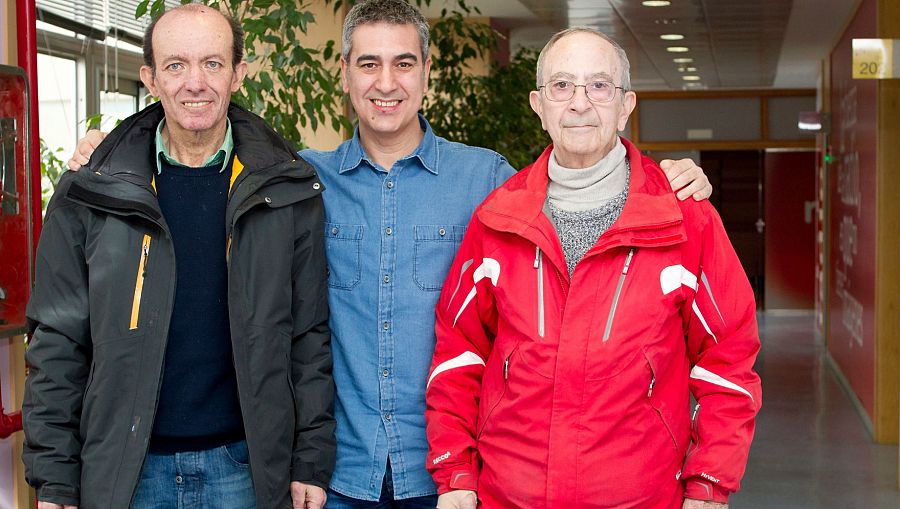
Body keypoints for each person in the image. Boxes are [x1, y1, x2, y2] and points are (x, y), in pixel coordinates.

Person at [66, 2, 712, 507]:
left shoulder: (490, 182)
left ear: (426, 75)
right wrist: (108, 150)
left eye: (404, 63)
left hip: (453, 476)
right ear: (343, 74)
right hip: (333, 476)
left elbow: (585, 202)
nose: (386, 82)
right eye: (368, 64)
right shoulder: (296, 183)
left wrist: (665, 178)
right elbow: (203, 142)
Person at [425, 27, 761, 509]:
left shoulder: (684, 218)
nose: (579, 103)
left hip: (639, 499)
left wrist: (709, 483)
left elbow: (728, 360)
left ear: (626, 105)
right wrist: (456, 473)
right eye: (563, 85)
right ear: (539, 105)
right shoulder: (497, 220)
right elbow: (459, 354)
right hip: (509, 498)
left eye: (598, 85)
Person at [23, 5, 334, 509]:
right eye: (175, 65)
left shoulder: (286, 189)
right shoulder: (92, 190)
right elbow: (58, 342)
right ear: (149, 79)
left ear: (238, 74)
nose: (196, 82)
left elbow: (308, 337)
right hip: (125, 473)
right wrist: (56, 476)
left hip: (246, 469)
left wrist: (310, 458)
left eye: (212, 64)